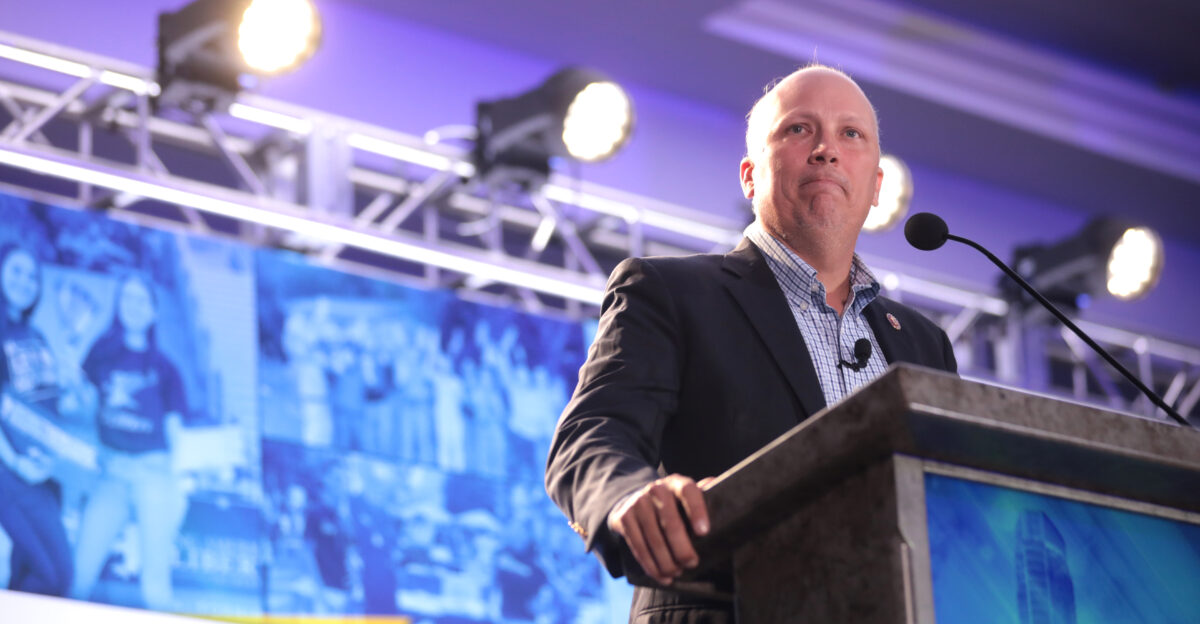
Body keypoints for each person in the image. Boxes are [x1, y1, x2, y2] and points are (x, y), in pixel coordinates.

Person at [544, 65, 958, 623]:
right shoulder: (670, 291)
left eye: (850, 134)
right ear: (749, 175)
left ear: (877, 185)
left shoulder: (925, 345)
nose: (827, 151)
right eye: (798, 130)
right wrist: (625, 498)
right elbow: (592, 433)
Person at [71, 273, 190, 610]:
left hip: (154, 474)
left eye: (142, 300)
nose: (134, 306)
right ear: (118, 305)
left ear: (153, 311)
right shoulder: (100, 354)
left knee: (155, 585)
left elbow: (175, 431)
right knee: (79, 574)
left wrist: (177, 481)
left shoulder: (167, 369)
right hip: (109, 474)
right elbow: (81, 406)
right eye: (127, 298)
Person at [0, 243, 88, 596]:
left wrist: (74, 388)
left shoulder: (37, 337)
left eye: (32, 276)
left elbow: (53, 408)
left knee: (32, 580)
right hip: (11, 471)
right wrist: (17, 463)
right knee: (55, 577)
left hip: (45, 475)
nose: (25, 281)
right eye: (16, 271)